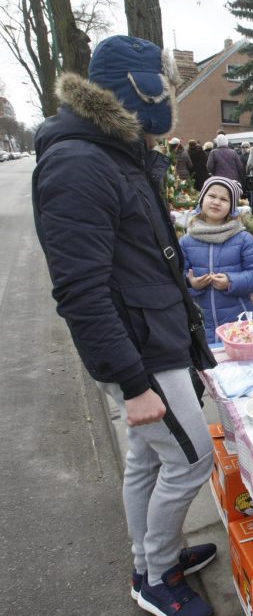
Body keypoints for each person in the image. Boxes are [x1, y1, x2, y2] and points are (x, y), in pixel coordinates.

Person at [32, 35, 216, 615]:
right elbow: (81, 292)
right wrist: (131, 383)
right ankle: (157, 575)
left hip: (154, 335)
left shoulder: (115, 151)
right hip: (140, 353)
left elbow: (135, 252)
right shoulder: (79, 163)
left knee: (148, 458)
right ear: (131, 100)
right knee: (191, 460)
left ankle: (147, 557)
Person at [180, 177, 253, 342]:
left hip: (238, 322)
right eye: (211, 196)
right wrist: (190, 282)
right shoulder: (187, 241)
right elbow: (177, 274)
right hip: (200, 321)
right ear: (201, 200)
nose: (216, 202)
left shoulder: (243, 238)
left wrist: (231, 281)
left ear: (232, 208)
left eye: (224, 199)